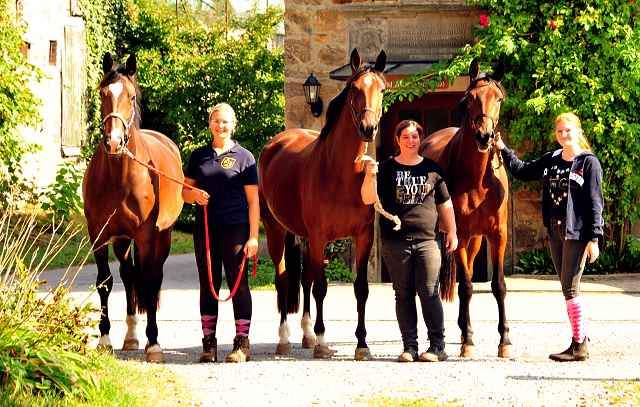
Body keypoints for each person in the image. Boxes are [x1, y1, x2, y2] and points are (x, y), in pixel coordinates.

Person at [496, 112, 604, 362]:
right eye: (559, 131)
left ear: (578, 131)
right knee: (567, 288)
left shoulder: (589, 163)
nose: (564, 135)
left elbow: (595, 201)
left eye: (568, 130)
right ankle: (580, 339)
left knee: (570, 287)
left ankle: (579, 346)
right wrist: (503, 149)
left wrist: (594, 238)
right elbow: (522, 171)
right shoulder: (552, 159)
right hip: (555, 230)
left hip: (576, 232)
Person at [361, 120, 458, 363]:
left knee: (428, 292)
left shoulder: (432, 168)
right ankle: (410, 347)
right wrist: (368, 177)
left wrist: (453, 232)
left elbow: (445, 202)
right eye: (406, 137)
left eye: (415, 136)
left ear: (420, 139)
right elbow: (367, 199)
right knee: (403, 294)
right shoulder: (386, 169)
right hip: (396, 242)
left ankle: (437, 346)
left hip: (428, 241)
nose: (411, 141)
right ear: (398, 139)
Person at [182, 103, 259, 363]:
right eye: (216, 121)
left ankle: (241, 343)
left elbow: (254, 201)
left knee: (239, 286)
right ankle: (209, 344)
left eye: (225, 121)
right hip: (204, 229)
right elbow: (184, 192)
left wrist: (254, 236)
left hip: (236, 229)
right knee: (208, 285)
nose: (220, 125)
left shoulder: (245, 157)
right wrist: (193, 195)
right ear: (210, 124)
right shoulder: (198, 156)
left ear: (233, 125)